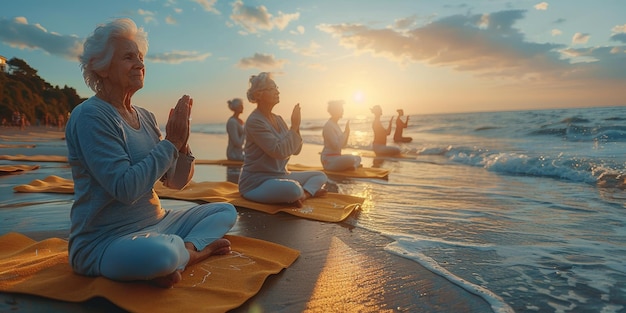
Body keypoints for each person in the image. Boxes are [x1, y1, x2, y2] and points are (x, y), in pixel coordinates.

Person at [65, 18, 237, 289]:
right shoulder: (91, 115)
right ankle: (191, 254)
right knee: (161, 254)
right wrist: (170, 143)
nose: (140, 64)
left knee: (225, 210)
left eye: (141, 57)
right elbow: (125, 188)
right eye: (128, 57)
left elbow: (176, 182)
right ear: (101, 67)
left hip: (159, 222)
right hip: (105, 241)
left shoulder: (145, 116)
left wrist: (182, 145)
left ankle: (186, 251)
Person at [238, 72, 327, 207]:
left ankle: (304, 195)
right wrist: (294, 126)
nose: (277, 92)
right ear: (258, 94)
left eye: (277, 88)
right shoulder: (254, 121)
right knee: (293, 189)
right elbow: (279, 151)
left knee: (320, 176)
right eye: (272, 88)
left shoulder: (279, 120)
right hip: (257, 183)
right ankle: (303, 192)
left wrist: (295, 128)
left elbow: (295, 150)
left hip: (281, 176)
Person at [321, 100, 362, 171]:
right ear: (335, 111)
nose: (343, 111)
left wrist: (347, 133)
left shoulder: (335, 125)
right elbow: (336, 146)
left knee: (358, 157)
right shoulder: (329, 126)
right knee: (351, 158)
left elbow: (343, 146)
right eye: (341, 109)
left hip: (336, 157)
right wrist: (345, 132)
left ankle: (351, 166)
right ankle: (353, 166)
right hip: (329, 161)